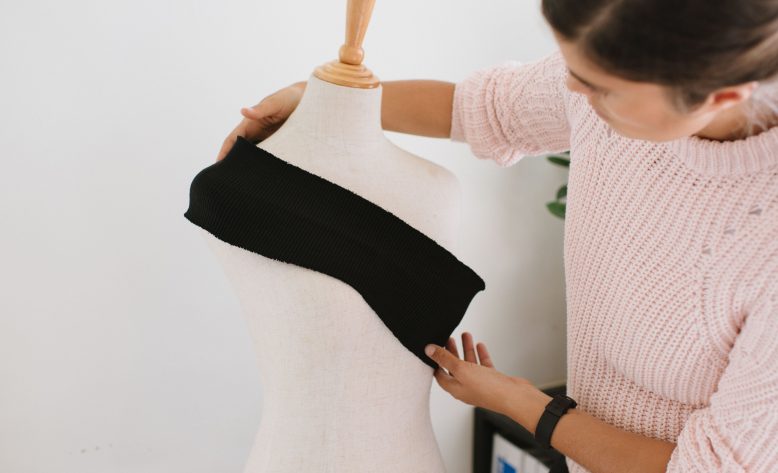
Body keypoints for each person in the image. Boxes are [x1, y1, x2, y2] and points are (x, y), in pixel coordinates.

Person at [217, 0, 778, 471]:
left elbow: (710, 467)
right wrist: (327, 98)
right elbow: (488, 109)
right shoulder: (620, 78)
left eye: (599, 87)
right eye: (569, 66)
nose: (572, 90)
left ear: (721, 97)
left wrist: (524, 405)